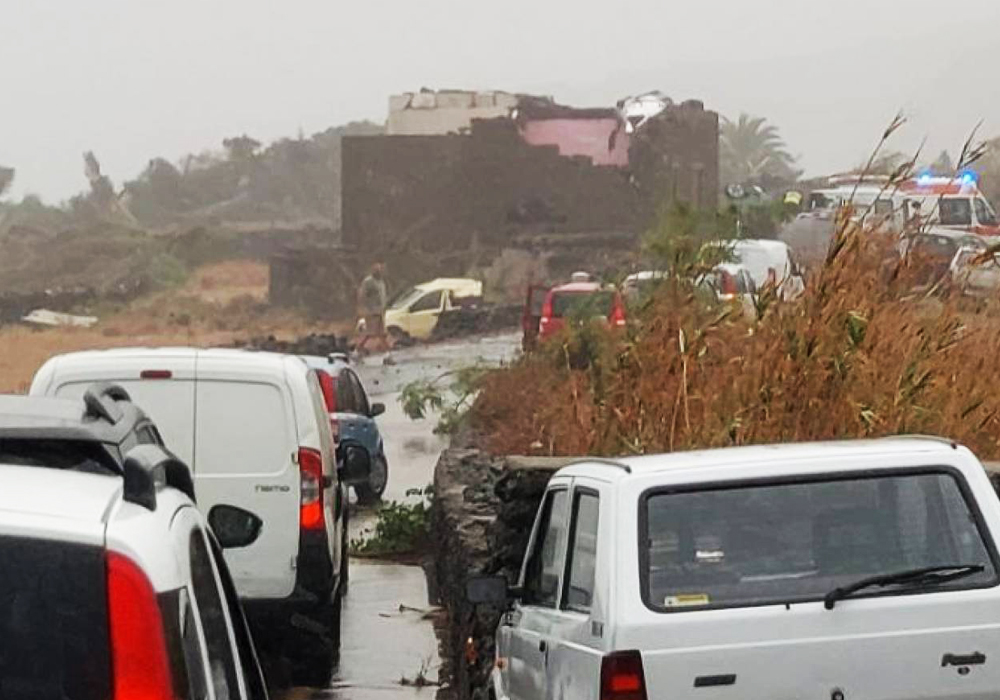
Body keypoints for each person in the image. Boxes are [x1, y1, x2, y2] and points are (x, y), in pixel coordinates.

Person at [356, 263, 388, 354]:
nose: (379, 272)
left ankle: (387, 352)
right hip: (372, 311)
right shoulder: (368, 281)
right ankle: (358, 348)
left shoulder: (381, 281)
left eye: (380, 270)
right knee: (370, 332)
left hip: (380, 311)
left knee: (381, 333)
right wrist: (364, 308)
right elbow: (362, 295)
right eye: (377, 270)